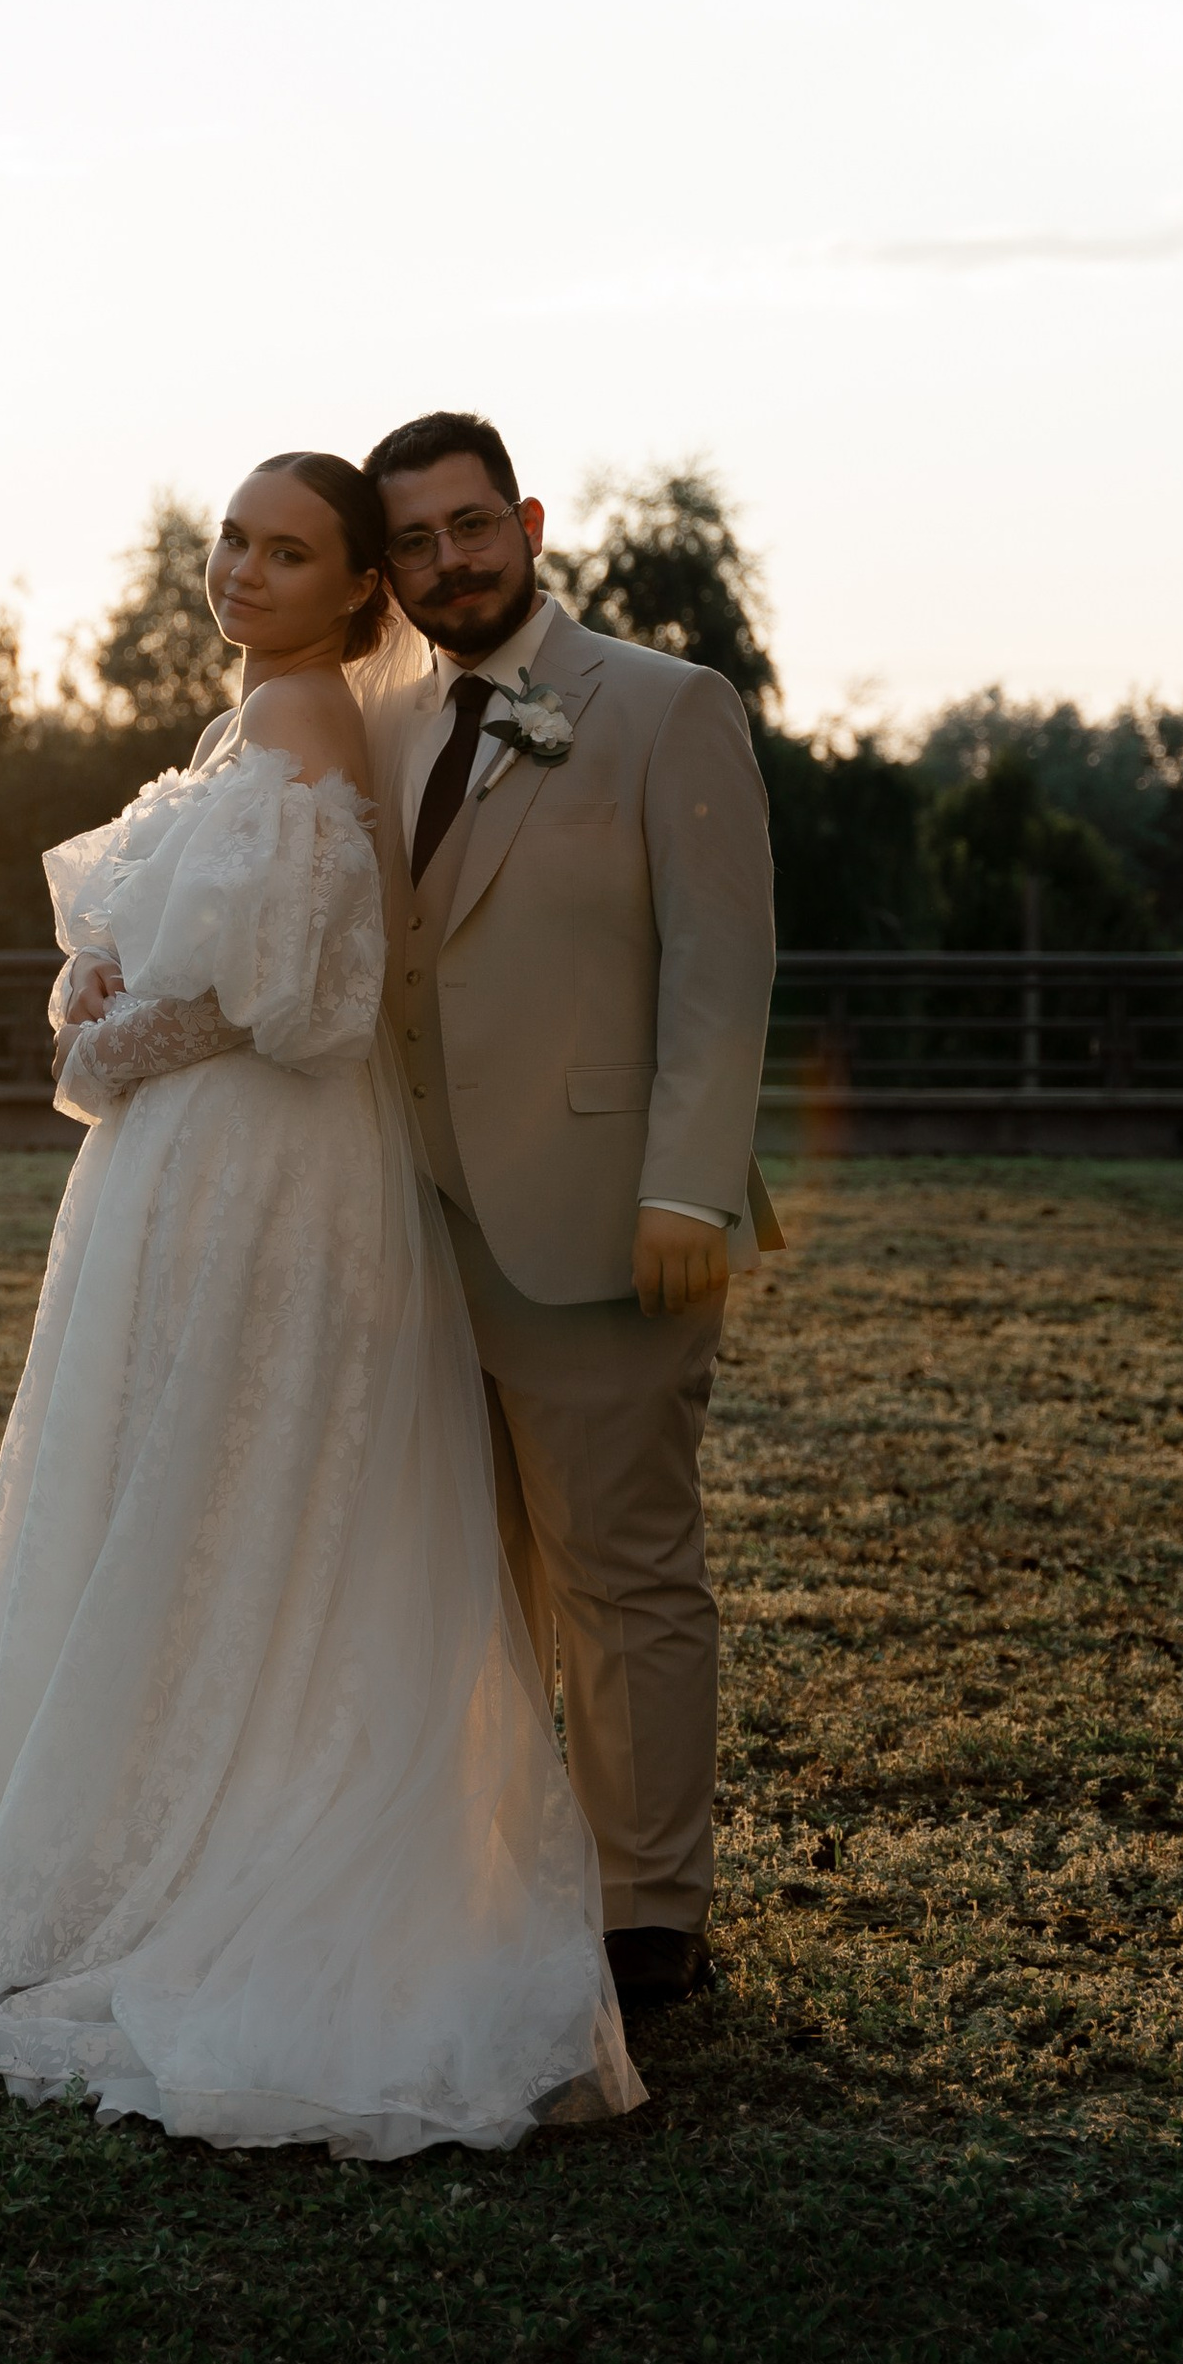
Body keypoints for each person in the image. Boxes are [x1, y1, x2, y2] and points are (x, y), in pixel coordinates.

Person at [0, 454, 640, 2157]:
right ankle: (133, 1818)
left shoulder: (302, 724)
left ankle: (211, 1850)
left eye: (288, 553)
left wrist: (100, 1046)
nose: (243, 573)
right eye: (230, 541)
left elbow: (292, 994)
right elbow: (157, 942)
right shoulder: (251, 724)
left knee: (224, 1487)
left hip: (260, 1171)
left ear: (358, 590)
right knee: (172, 1492)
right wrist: (95, 983)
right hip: (187, 1171)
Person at [358, 409, 779, 2012]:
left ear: (527, 524)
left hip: (605, 1214)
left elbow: (722, 966)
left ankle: (647, 1907)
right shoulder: (380, 724)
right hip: (406, 1226)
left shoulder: (663, 707)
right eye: (411, 542)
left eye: (469, 528)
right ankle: (481, 1864)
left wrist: (687, 1184)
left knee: (623, 1567)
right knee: (456, 1567)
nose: (444, 563)